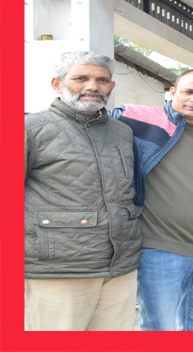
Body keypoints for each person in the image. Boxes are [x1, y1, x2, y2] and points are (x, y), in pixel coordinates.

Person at [109, 68, 193, 331]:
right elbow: (83, 120)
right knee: (159, 326)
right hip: (160, 247)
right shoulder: (138, 118)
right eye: (189, 91)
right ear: (172, 92)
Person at [25, 51, 141, 330]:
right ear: (57, 84)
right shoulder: (30, 129)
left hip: (119, 265)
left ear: (111, 86)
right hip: (60, 266)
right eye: (80, 78)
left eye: (102, 80)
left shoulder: (122, 132)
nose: (92, 86)